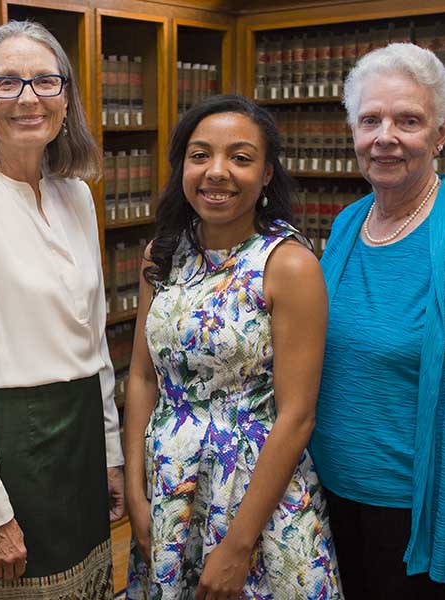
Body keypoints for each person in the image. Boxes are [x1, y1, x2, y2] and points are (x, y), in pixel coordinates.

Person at [308, 43, 445, 599]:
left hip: (422, 513)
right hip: (329, 499)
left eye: (407, 120)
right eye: (370, 120)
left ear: (439, 134)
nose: (385, 136)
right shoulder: (347, 223)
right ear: (354, 133)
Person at [0, 20, 124, 599]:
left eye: (45, 81)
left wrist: (109, 452)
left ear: (66, 97)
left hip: (80, 437)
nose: (28, 98)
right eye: (6, 83)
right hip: (10, 452)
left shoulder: (76, 195)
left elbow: (93, 339)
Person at [124, 94, 342, 600]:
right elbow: (140, 376)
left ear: (267, 173)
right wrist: (137, 493)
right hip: (170, 486)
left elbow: (297, 416)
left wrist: (238, 546)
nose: (216, 172)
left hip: (254, 495)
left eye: (240, 158)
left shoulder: (288, 265)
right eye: (200, 155)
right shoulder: (161, 255)